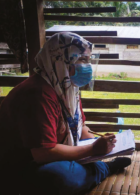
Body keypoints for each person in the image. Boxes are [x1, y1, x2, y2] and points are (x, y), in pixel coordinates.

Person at [0, 32, 131, 195]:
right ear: (61, 59)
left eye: (88, 60)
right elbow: (43, 153)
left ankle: (95, 168)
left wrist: (104, 143)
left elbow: (80, 127)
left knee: (69, 169)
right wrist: (93, 150)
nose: (87, 66)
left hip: (48, 156)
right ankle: (104, 168)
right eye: (82, 60)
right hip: (20, 167)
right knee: (59, 177)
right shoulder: (38, 94)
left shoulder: (68, 88)